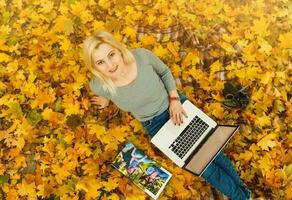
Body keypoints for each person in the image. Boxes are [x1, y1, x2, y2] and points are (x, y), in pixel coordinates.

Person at [83, 30, 252, 200]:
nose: (110, 65)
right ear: (95, 67)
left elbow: (164, 72)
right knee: (203, 166)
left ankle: (242, 197)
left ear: (119, 49)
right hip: (155, 126)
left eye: (111, 55)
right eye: (100, 62)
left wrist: (174, 99)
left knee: (213, 151)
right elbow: (105, 91)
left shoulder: (141, 57)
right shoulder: (99, 85)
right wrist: (105, 100)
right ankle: (244, 196)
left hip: (176, 107)